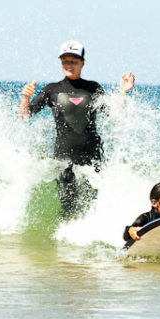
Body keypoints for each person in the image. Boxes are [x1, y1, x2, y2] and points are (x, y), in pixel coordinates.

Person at [19, 40, 135, 212]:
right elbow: (25, 115)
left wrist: (122, 92)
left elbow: (114, 113)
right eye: (65, 61)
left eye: (73, 61)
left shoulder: (93, 88)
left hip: (92, 157)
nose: (69, 64)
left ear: (82, 63)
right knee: (68, 206)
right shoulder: (52, 90)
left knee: (92, 205)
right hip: (63, 159)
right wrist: (26, 98)